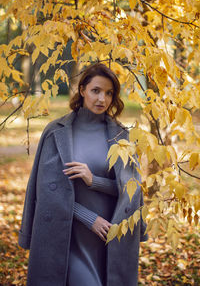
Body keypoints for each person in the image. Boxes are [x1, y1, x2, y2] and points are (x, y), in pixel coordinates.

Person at [18, 63, 148, 286]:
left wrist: (93, 180)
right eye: (95, 90)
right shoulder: (56, 132)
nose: (102, 99)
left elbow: (130, 189)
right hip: (69, 236)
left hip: (109, 236)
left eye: (109, 93)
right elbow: (47, 194)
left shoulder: (121, 136)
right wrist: (90, 220)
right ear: (82, 91)